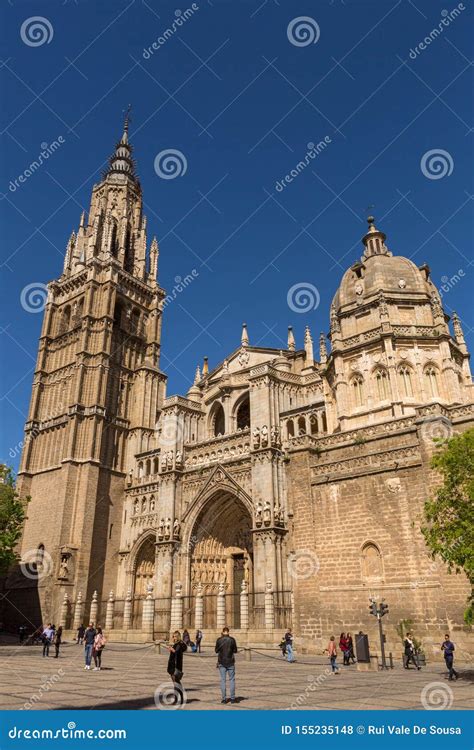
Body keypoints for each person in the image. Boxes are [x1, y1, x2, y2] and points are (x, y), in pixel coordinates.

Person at [215, 626, 238, 704]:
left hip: (221, 662)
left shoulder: (219, 640)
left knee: (223, 680)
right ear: (228, 632)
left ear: (223, 632)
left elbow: (216, 650)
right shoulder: (232, 640)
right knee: (232, 680)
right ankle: (232, 699)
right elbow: (235, 650)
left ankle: (224, 699)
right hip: (230, 662)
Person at [166, 630, 187, 704]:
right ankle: (179, 698)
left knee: (176, 683)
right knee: (176, 682)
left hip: (175, 666)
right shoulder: (178, 644)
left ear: (178, 637)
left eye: (175, 636)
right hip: (175, 665)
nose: (174, 638)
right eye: (173, 636)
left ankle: (177, 699)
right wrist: (172, 650)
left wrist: (172, 649)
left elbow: (177, 652)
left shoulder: (178, 644)